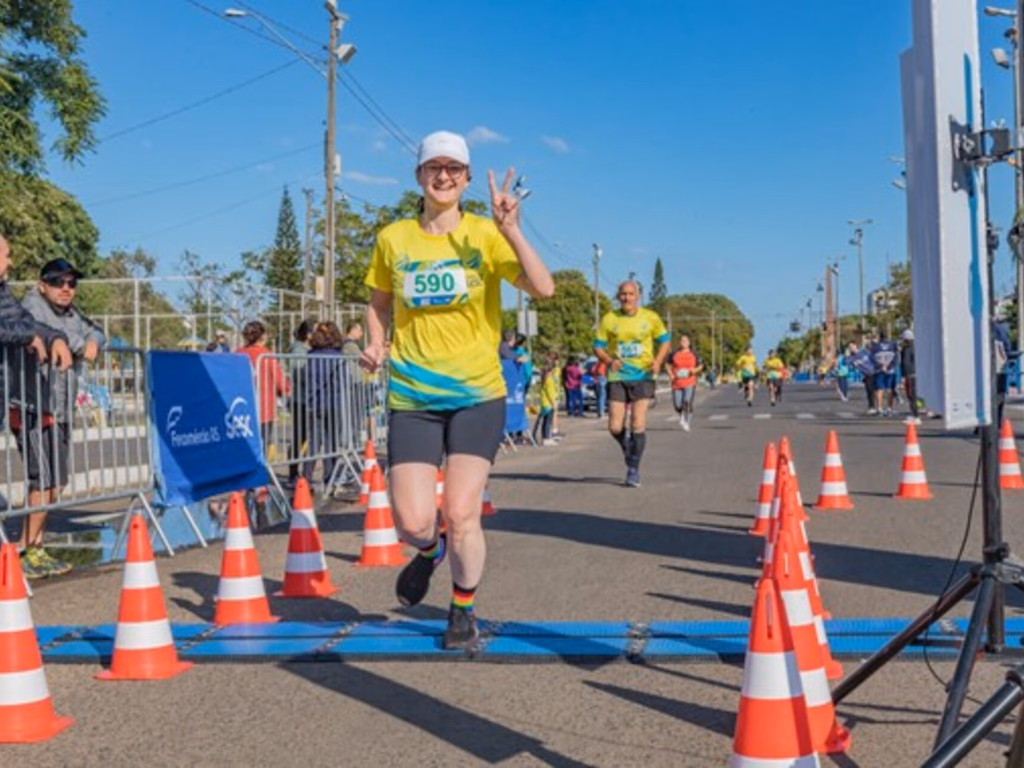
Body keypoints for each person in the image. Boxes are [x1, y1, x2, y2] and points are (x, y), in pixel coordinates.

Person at [359, 130, 554, 649]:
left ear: (466, 179)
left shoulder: (485, 236)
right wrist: (376, 343)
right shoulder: (393, 239)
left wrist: (511, 229)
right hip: (413, 398)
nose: (443, 176)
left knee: (463, 511)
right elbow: (378, 304)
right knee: (413, 521)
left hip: (476, 394)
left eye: (454, 169)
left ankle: (462, 609)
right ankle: (429, 552)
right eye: (433, 168)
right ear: (419, 176)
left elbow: (543, 288)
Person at [13, 257, 102, 578]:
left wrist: (93, 340)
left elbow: (97, 331)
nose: (66, 289)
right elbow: (48, 334)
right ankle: (24, 549)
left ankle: (36, 546)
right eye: (57, 282)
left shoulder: (72, 313)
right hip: (33, 406)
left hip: (61, 406)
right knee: (44, 478)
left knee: (58, 481)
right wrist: (81, 344)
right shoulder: (31, 306)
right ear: (42, 285)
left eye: (71, 283)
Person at [593, 280, 670, 487]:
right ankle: (627, 445)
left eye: (631, 294)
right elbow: (598, 347)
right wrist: (609, 361)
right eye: (623, 294)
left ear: (638, 296)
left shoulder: (650, 317)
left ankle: (633, 468)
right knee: (615, 426)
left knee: (637, 422)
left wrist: (658, 361)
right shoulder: (610, 319)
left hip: (643, 375)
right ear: (618, 296)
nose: (627, 298)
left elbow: (665, 341)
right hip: (618, 377)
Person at [236, 320, 290, 456]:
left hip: (242, 408)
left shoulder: (237, 354)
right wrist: (287, 389)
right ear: (263, 336)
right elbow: (280, 381)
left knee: (244, 444)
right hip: (264, 407)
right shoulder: (266, 355)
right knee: (262, 443)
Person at [303, 321, 344, 492]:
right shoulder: (338, 357)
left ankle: (305, 478)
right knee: (332, 443)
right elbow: (342, 381)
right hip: (333, 402)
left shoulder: (311, 356)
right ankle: (330, 479)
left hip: (314, 403)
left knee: (314, 442)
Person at [287, 320, 313, 486]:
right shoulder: (299, 351)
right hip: (300, 400)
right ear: (308, 334)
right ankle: (293, 473)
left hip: (306, 399)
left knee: (304, 436)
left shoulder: (306, 351)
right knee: (299, 436)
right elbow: (300, 375)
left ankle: (299, 471)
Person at [666, 333, 703, 431]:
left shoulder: (693, 353)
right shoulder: (674, 353)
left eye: (685, 341)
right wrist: (671, 374)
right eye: (682, 341)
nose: (684, 342)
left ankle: (687, 422)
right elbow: (667, 365)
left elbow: (700, 365)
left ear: (689, 343)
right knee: (678, 405)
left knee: (687, 401)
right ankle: (682, 415)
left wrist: (693, 370)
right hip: (677, 383)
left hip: (690, 382)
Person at [870, 330, 898, 417]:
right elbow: (896, 358)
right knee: (889, 389)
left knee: (880, 389)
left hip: (879, 370)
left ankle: (879, 408)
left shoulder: (875, 346)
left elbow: (871, 358)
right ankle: (889, 408)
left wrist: (880, 366)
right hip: (890, 371)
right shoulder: (893, 345)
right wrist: (888, 366)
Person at [532, 355, 558, 446]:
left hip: (544, 402)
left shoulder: (544, 377)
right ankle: (546, 438)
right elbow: (550, 393)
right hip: (549, 404)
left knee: (544, 421)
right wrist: (554, 403)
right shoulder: (549, 379)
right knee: (548, 422)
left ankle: (545, 437)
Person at [900, 329, 919, 424]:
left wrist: (904, 376)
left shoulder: (907, 349)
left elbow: (906, 363)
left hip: (910, 374)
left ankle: (915, 415)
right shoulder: (918, 347)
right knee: (917, 394)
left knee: (911, 395)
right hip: (917, 373)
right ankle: (918, 412)